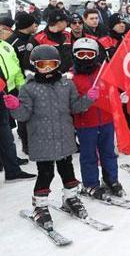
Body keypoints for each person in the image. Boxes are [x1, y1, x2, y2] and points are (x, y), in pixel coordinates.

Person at [7, 44, 97, 227]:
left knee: (67, 171)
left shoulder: (66, 84)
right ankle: (40, 206)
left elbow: (75, 107)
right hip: (42, 140)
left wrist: (88, 98)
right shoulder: (28, 88)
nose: (47, 69)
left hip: (64, 137)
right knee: (45, 173)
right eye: (42, 65)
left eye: (52, 64)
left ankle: (70, 198)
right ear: (34, 66)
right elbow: (24, 115)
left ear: (58, 65)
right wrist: (16, 107)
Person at [69, 38, 124, 199]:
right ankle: (91, 183)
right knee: (89, 155)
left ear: (96, 55)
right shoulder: (70, 77)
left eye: (89, 54)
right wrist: (85, 99)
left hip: (106, 120)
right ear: (74, 55)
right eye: (81, 54)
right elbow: (70, 104)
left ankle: (111, 180)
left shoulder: (104, 71)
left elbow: (113, 90)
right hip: (86, 122)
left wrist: (120, 96)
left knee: (108, 152)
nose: (85, 58)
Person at [0, 35, 34, 180]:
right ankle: (11, 166)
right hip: (2, 91)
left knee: (6, 131)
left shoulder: (5, 45)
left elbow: (15, 66)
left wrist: (21, 87)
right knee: (5, 133)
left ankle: (11, 163)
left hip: (8, 90)